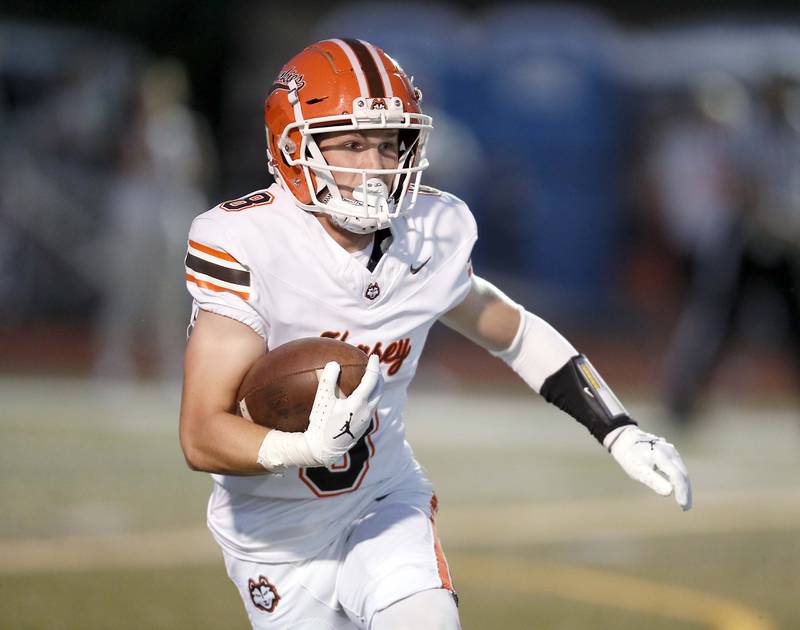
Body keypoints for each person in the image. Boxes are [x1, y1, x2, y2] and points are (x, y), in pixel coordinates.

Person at [179, 39, 692, 630]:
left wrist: (619, 431)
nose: (375, 166)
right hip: (274, 538)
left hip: (381, 502)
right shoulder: (248, 241)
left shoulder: (432, 229)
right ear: (295, 146)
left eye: (387, 143)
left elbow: (514, 331)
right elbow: (200, 433)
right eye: (350, 143)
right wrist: (303, 449)